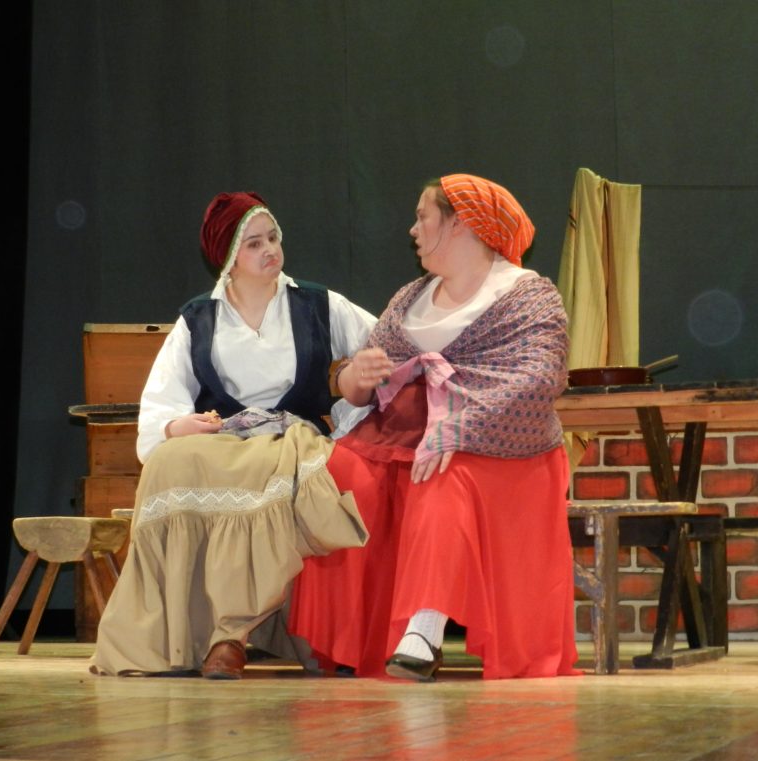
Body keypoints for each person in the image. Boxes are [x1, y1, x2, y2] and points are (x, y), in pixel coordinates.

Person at [287, 174, 581, 681]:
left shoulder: (527, 296)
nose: (413, 229)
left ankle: (422, 632)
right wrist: (358, 378)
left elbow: (539, 379)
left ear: (461, 223)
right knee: (340, 472)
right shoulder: (412, 297)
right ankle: (352, 641)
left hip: (496, 448)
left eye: (423, 216)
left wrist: (461, 429)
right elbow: (362, 383)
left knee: (440, 472)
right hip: (397, 436)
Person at [89, 191, 376, 679]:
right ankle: (181, 639)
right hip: (224, 441)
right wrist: (179, 426)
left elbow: (383, 344)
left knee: (270, 469)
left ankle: (231, 636)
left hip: (291, 437)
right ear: (227, 258)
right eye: (254, 244)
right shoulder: (198, 318)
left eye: (273, 238)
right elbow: (162, 403)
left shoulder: (318, 304)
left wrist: (359, 383)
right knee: (168, 462)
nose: (270, 250)